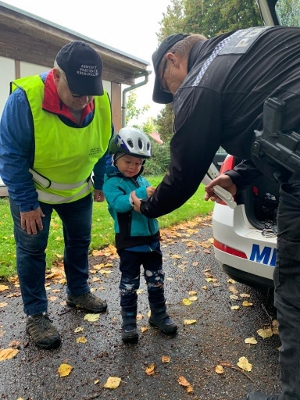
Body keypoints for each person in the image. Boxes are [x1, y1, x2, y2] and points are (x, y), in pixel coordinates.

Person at [131, 27, 300, 399]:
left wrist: (147, 205)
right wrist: (237, 177)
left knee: (293, 288)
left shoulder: (199, 81)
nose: (178, 94)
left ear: (173, 61)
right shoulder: (247, 45)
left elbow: (182, 176)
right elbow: (280, 121)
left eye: (170, 86)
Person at [0, 40, 113, 350]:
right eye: (77, 92)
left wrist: (101, 181)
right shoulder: (25, 101)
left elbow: (105, 142)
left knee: (80, 242)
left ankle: (78, 293)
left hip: (78, 191)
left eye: (91, 91)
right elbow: (10, 156)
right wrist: (26, 203)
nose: (86, 99)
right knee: (32, 250)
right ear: (56, 76)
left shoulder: (97, 101)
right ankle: (36, 314)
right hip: (34, 196)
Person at [103, 127, 177, 344]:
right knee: (129, 285)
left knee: (156, 281)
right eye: (128, 161)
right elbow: (119, 203)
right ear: (115, 159)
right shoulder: (111, 184)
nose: (134, 167)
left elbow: (151, 204)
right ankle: (129, 322)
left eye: (138, 163)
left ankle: (159, 314)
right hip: (130, 246)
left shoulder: (143, 181)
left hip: (152, 242)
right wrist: (142, 195)